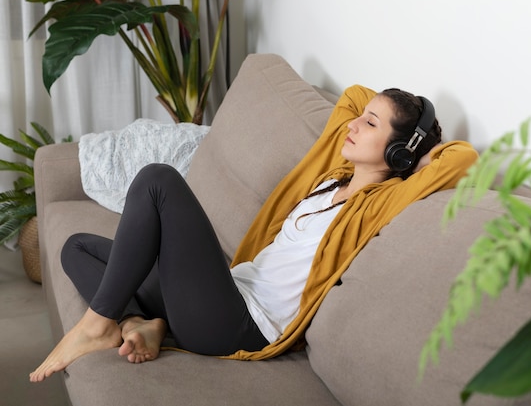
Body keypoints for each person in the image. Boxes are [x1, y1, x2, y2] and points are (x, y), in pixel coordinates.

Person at [30, 84, 478, 382]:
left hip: (240, 324)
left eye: (371, 124)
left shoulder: (378, 203)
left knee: (158, 181)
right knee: (78, 247)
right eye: (362, 118)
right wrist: (379, 116)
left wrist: (414, 153)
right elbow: (352, 97)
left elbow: (460, 159)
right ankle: (132, 323)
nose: (352, 124)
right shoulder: (330, 177)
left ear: (400, 153)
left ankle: (95, 325)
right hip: (225, 289)